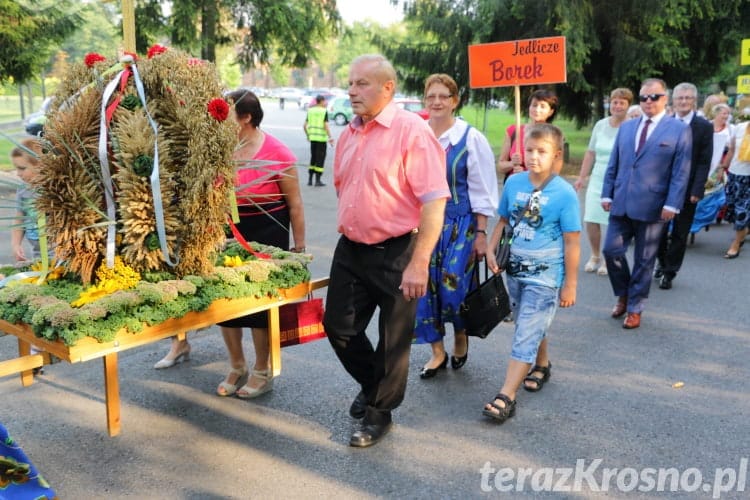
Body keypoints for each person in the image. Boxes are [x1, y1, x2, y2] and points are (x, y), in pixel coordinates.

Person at [323, 54, 449, 447]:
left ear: (387, 88)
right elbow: (344, 187)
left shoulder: (412, 131)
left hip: (398, 252)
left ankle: (379, 413)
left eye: (361, 83)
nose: (351, 90)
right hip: (352, 249)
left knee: (394, 341)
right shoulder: (349, 134)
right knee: (338, 326)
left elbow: (434, 201)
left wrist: (419, 262)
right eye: (350, 83)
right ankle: (373, 383)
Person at [208, 89, 305, 397]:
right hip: (229, 230)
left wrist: (298, 248)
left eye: (227, 116)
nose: (219, 122)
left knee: (260, 303)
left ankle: (262, 369)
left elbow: (296, 204)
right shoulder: (219, 150)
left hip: (268, 231)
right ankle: (237, 365)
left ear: (246, 118)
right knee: (225, 300)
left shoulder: (278, 153)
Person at [483, 123, 580, 422]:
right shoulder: (513, 183)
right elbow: (502, 220)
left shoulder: (564, 194)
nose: (534, 156)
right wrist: (490, 247)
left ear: (556, 155)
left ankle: (506, 395)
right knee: (530, 321)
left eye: (542, 151)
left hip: (546, 276)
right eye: (529, 150)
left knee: (525, 330)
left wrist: (570, 285)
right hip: (514, 271)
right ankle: (542, 363)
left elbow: (572, 241)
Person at [414, 74, 498, 378]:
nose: (436, 102)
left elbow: (482, 189)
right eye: (431, 96)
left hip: (458, 224)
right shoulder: (417, 134)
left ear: (455, 100)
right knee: (421, 290)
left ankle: (460, 335)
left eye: (443, 96)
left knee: (452, 289)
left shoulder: (469, 138)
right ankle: (436, 352)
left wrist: (481, 233)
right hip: (422, 225)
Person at [601, 78, 691, 329]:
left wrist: (673, 204)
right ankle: (624, 293)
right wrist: (607, 193)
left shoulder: (678, 129)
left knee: (644, 259)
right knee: (611, 250)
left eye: (654, 97)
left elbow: (680, 171)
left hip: (654, 205)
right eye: (644, 98)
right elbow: (614, 163)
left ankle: (635, 307)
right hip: (621, 201)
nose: (648, 102)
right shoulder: (627, 128)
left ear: (665, 99)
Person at [655, 82, 713, 290]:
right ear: (673, 101)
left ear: (694, 101)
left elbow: (704, 160)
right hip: (663, 188)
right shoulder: (664, 123)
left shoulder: (704, 127)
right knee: (658, 231)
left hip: (689, 189)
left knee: (680, 233)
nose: (684, 101)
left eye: (688, 98)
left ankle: (670, 272)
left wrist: (698, 189)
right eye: (680, 98)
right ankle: (661, 262)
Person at [574, 88, 633, 277]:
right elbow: (591, 152)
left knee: (613, 221)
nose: (617, 106)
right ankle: (594, 255)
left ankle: (610, 257)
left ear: (628, 106)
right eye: (614, 102)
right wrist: (582, 177)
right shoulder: (600, 125)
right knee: (591, 219)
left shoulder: (632, 126)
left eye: (622, 103)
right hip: (598, 177)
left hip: (620, 180)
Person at [496, 89, 559, 181]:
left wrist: (526, 174)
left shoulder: (553, 135)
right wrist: (512, 164)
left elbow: (554, 171)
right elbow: (500, 166)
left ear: (551, 111)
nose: (537, 109)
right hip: (514, 187)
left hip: (536, 189)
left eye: (542, 106)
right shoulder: (513, 131)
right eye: (534, 105)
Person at [691, 103, 734, 235]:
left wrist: (723, 166)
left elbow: (732, 149)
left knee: (710, 195)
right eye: (723, 113)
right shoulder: (706, 126)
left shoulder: (731, 129)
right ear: (716, 114)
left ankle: (699, 222)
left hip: (719, 164)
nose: (726, 116)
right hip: (703, 162)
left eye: (727, 113)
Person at [721, 114, 750, 258]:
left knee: (742, 211)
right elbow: (732, 150)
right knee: (732, 208)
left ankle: (736, 244)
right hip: (734, 174)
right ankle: (744, 231)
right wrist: (722, 168)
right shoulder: (739, 128)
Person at [11, 138, 43, 263]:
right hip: (37, 253)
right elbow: (19, 218)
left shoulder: (53, 190)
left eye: (22, 168)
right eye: (16, 168)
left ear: (39, 166)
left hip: (59, 254)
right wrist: (16, 244)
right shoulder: (23, 190)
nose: (18, 173)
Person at [303, 94, 334, 187]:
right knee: (320, 159)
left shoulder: (310, 111)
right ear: (321, 101)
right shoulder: (324, 111)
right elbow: (326, 125)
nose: (325, 103)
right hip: (321, 139)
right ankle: (317, 180)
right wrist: (330, 137)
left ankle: (310, 180)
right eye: (324, 101)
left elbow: (304, 125)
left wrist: (308, 135)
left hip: (313, 139)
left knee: (313, 158)